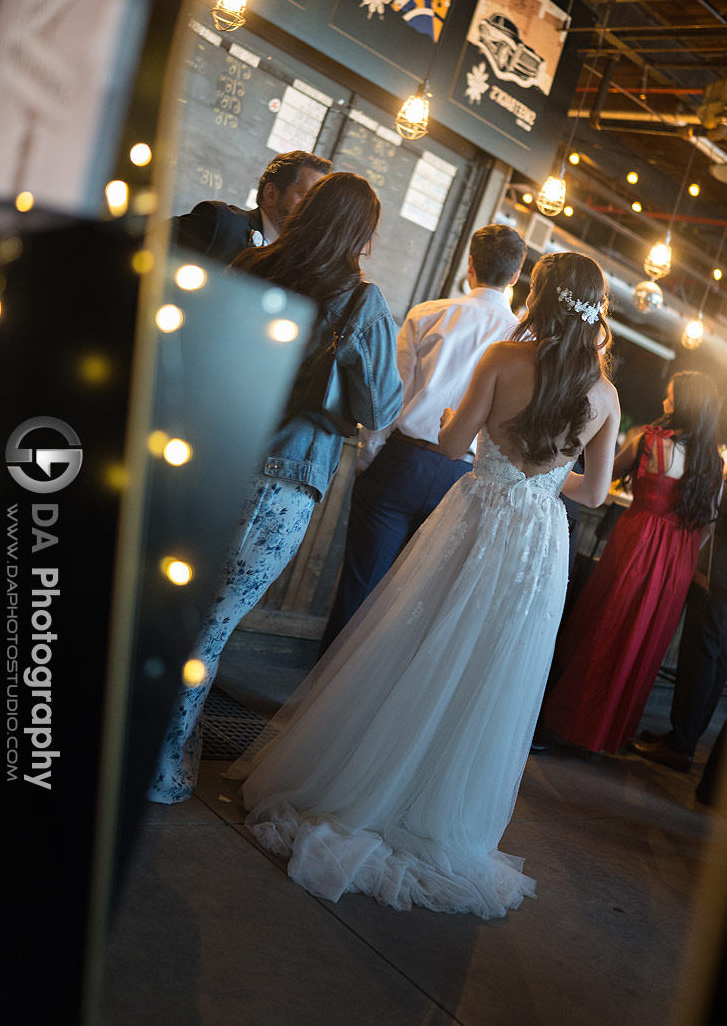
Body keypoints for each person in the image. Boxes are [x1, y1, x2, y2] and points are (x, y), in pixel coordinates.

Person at [225, 252, 620, 918]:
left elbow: (451, 445)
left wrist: (472, 435)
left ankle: (373, 779)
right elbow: (597, 491)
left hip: (478, 514)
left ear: (541, 296)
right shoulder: (604, 396)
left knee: (422, 639)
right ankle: (438, 810)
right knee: (492, 668)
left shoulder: (503, 358)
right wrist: (548, 478)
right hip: (536, 540)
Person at [149, 173, 402, 803]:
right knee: (211, 626)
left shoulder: (249, 265)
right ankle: (156, 764)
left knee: (164, 604)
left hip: (206, 457)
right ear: (363, 235)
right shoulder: (361, 301)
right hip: (283, 479)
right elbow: (382, 406)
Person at [319, 223, 526, 653]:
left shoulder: (428, 313)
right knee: (419, 605)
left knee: (360, 590)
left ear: (470, 264)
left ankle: (318, 688)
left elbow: (388, 398)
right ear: (517, 273)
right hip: (466, 479)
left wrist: (369, 459)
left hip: (402, 463)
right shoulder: (524, 342)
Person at [541, 372, 723, 755]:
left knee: (603, 625)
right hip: (680, 559)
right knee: (644, 642)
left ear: (683, 404)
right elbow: (708, 526)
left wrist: (550, 470)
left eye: (671, 396)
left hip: (637, 543)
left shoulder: (649, 441)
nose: (665, 401)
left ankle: (567, 725)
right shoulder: (713, 463)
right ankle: (607, 734)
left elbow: (601, 477)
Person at [630, 373, 727, 771]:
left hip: (726, 565)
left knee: (700, 655)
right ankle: (682, 736)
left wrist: (711, 484)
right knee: (715, 659)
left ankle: (681, 744)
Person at [173, 150, 332, 263]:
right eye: (306, 197)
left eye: (317, 203)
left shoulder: (297, 263)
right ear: (271, 194)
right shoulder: (220, 222)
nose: (313, 210)